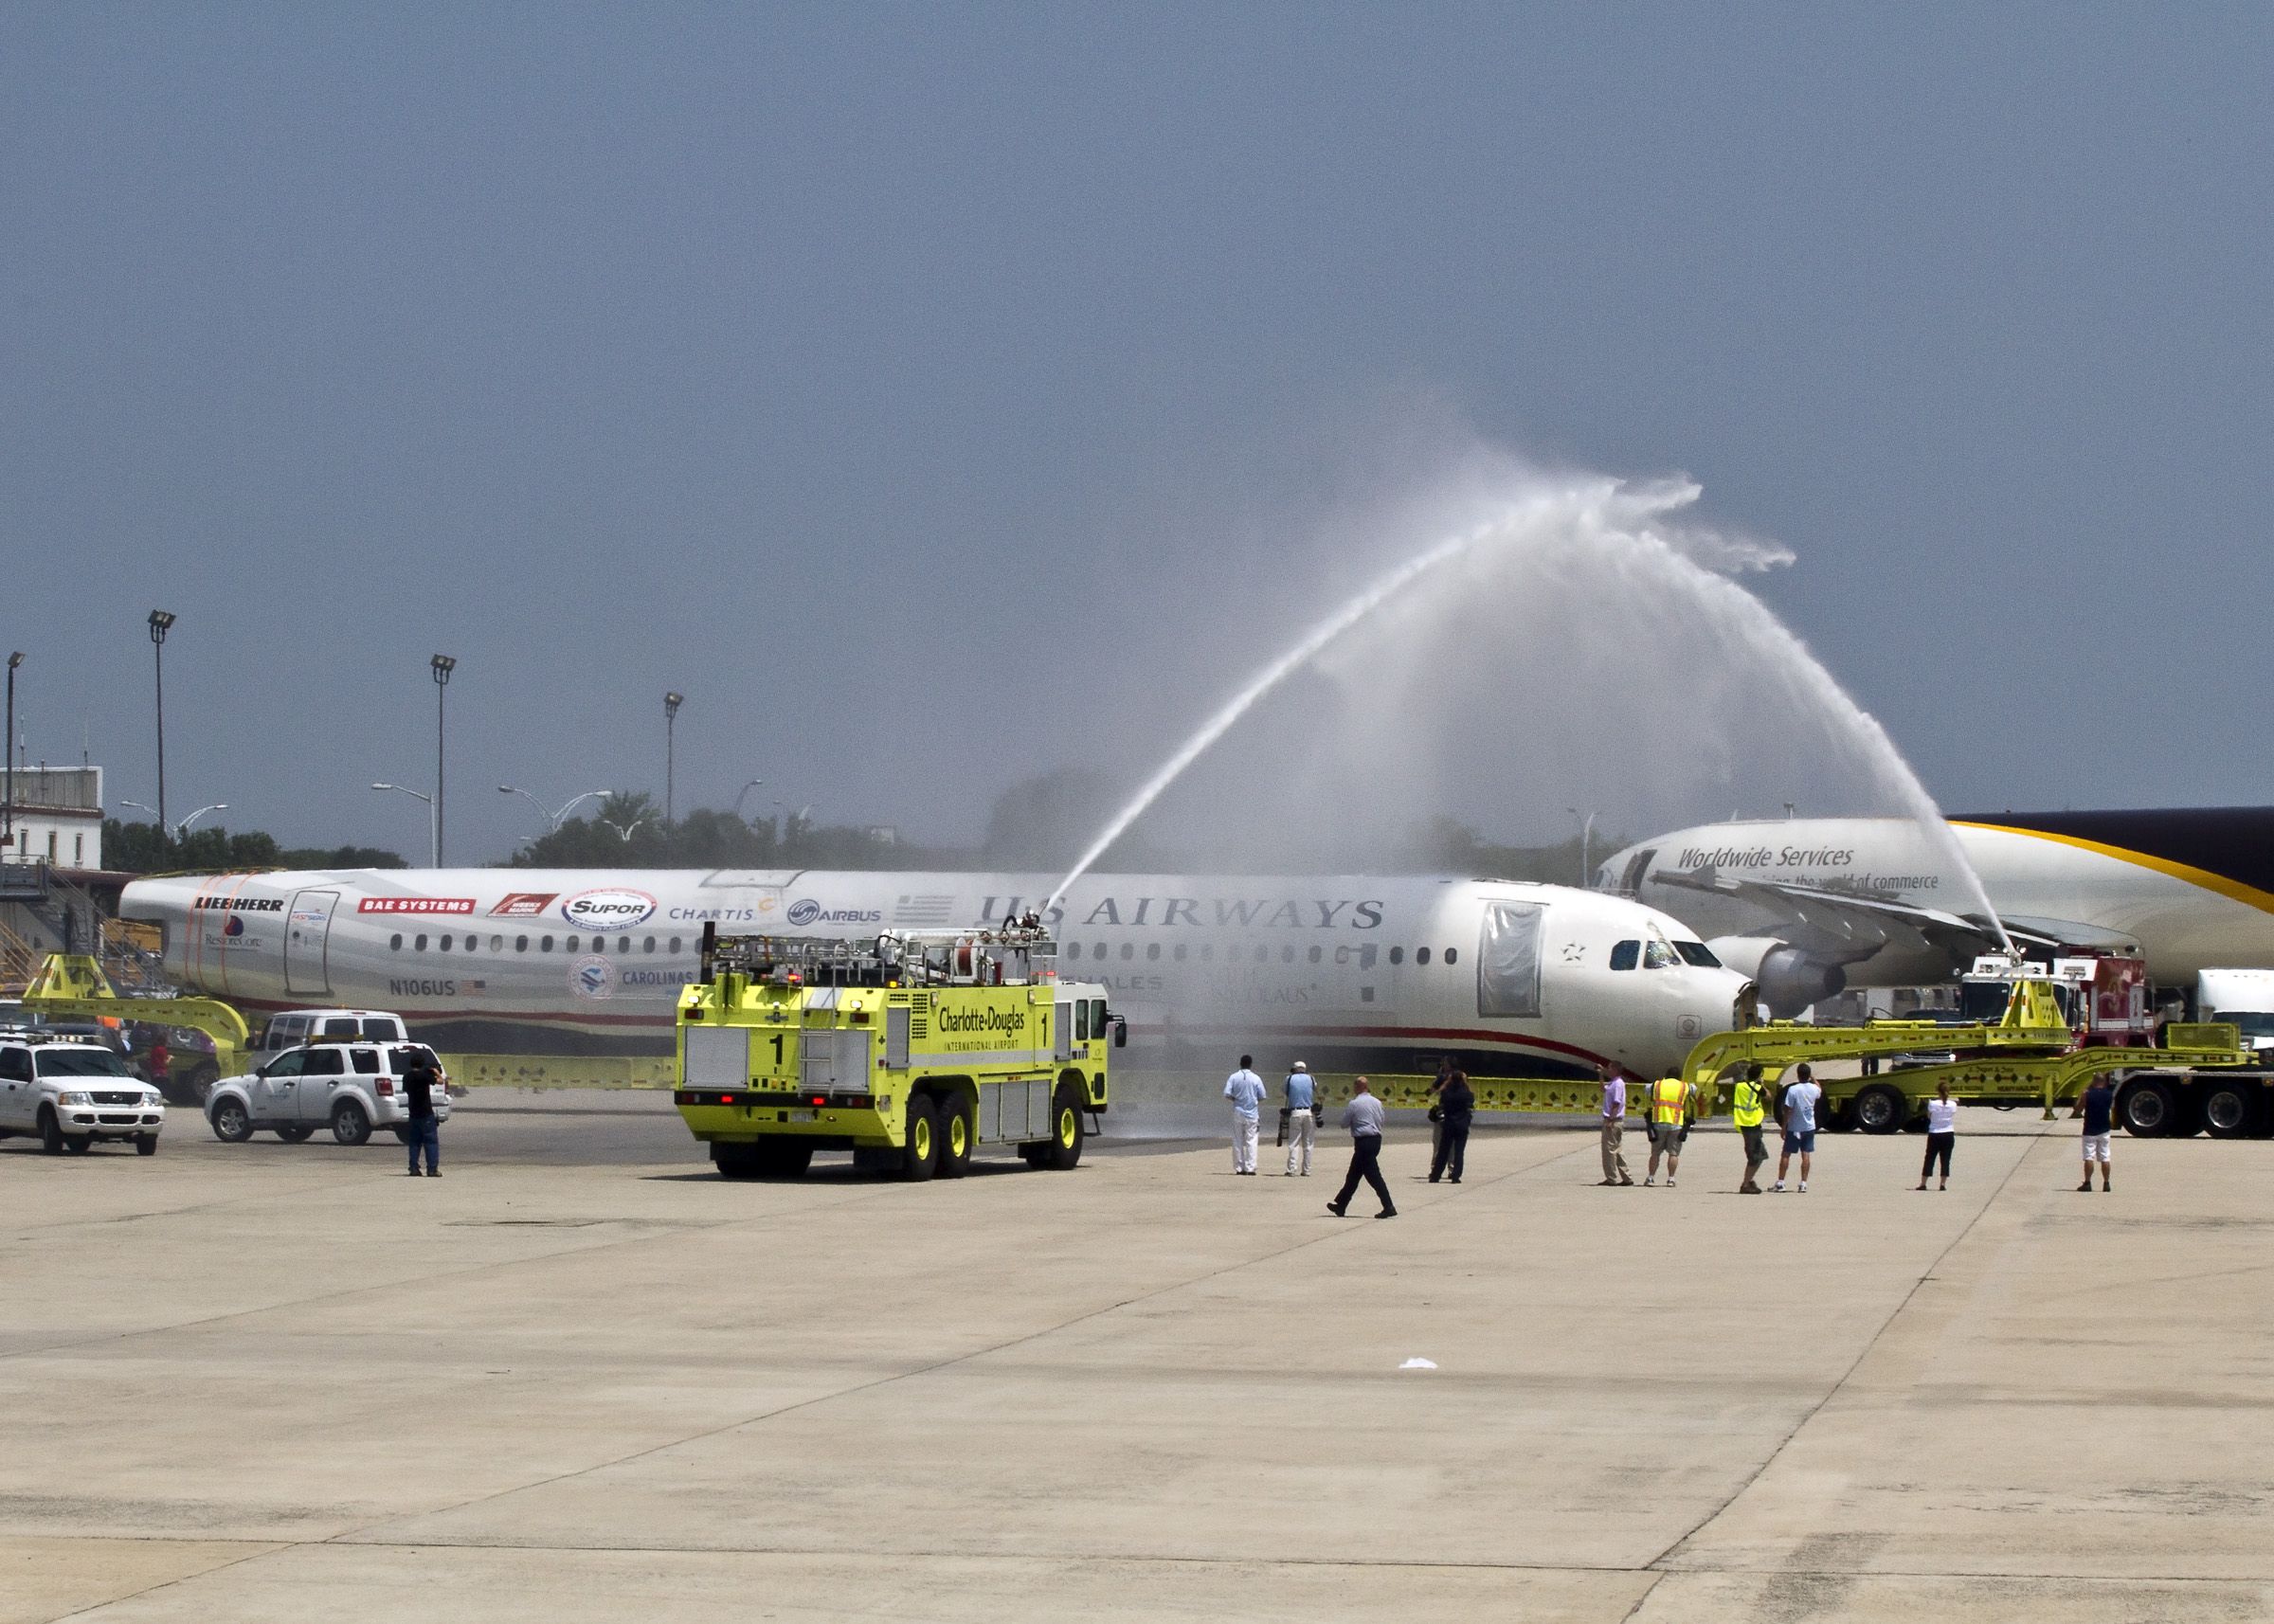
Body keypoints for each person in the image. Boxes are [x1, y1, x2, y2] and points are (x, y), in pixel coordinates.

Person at [1327, 1076, 1397, 1218]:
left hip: (1363, 1142)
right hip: (1375, 1140)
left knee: (1374, 1176)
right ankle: (1341, 1205)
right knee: (1353, 1175)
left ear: (1358, 1087)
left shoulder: (1354, 1103)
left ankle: (1388, 1206)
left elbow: (1344, 1123)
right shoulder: (1377, 1102)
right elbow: (1381, 1120)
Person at [1643, 1071, 1697, 1187]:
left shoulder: (1657, 1085)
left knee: (1655, 1153)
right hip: (1676, 1123)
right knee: (1673, 1154)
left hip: (1658, 1122)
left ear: (1665, 1076)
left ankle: (1651, 1178)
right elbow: (1694, 1089)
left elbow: (1646, 1089)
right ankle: (1671, 1179)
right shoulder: (1684, 1086)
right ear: (1679, 1077)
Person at [1774, 1062, 1822, 1192]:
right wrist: (1813, 1078)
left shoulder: (1793, 1089)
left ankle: (1781, 1182)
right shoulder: (1813, 1088)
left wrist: (1784, 1126)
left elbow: (1788, 1109)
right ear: (1808, 1075)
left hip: (1795, 1127)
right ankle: (1803, 1183)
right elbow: (1819, 1089)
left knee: (1786, 1154)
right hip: (1809, 1126)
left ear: (1798, 1075)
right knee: (1805, 1154)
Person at [1222, 1055, 1267, 1176]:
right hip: (1252, 1113)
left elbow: (1226, 1093)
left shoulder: (1233, 1077)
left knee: (1238, 1140)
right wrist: (1252, 1100)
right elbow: (1262, 1095)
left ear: (1240, 1063)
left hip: (1238, 1111)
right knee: (1251, 1140)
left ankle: (1239, 1167)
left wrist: (1236, 1100)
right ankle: (1250, 1168)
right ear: (1251, 1064)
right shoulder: (1256, 1078)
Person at [1429, 1068, 1474, 1183]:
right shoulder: (1467, 1093)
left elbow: (1439, 1095)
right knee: (1459, 1151)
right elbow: (1471, 1104)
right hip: (1462, 1125)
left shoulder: (1446, 1093)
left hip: (1449, 1124)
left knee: (1443, 1151)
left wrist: (1446, 1082)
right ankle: (1455, 1176)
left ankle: (1436, 1175)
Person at [403, 1048, 442, 1178]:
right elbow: (440, 1081)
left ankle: (413, 1168)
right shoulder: (425, 1076)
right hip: (426, 1113)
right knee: (430, 1142)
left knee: (414, 1142)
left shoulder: (407, 1076)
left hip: (413, 1112)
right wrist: (436, 1072)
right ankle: (432, 1169)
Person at [1732, 1064, 1771, 1194]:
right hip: (1752, 1124)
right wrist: (1762, 1083)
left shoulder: (1739, 1086)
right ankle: (1745, 1183)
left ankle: (1749, 1180)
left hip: (1743, 1123)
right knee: (1755, 1157)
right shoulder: (1758, 1088)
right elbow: (1768, 1096)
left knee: (1760, 1154)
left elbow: (1743, 1082)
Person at [2074, 1073, 2116, 1191]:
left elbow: (2078, 1109)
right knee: (2105, 1157)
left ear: (2093, 1082)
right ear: (2104, 1082)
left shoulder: (2087, 1094)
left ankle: (2087, 1183)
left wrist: (2081, 1096)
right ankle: (2106, 1183)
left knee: (2088, 1157)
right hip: (2104, 1130)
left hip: (2090, 1129)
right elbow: (2112, 1109)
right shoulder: (2109, 1095)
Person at [1917, 1081, 1958, 1190]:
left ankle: (1923, 1183)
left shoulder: (1932, 1103)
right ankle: (1943, 1184)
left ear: (1938, 1092)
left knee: (1929, 1158)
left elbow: (1929, 1116)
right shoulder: (1953, 1104)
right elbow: (1952, 1114)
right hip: (1948, 1133)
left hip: (1935, 1133)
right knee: (1945, 1159)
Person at [1597, 1065, 1633, 1186]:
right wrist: (1601, 1075)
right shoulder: (1613, 1083)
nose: (1608, 1070)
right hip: (1615, 1120)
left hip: (1613, 1119)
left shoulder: (1618, 1083)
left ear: (1615, 1070)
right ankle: (1626, 1177)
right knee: (1617, 1149)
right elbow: (1603, 1089)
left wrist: (1610, 1118)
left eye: (1610, 1068)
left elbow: (1616, 1102)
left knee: (1609, 1150)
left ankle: (1611, 1178)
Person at [1282, 1060, 1317, 1176]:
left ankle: (1291, 1169)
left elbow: (1285, 1091)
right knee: (1308, 1143)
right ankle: (1307, 1170)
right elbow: (1314, 1088)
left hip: (1295, 1112)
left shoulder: (1289, 1079)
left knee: (1294, 1142)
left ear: (1295, 1069)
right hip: (1309, 1111)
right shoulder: (1311, 1078)